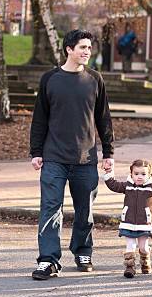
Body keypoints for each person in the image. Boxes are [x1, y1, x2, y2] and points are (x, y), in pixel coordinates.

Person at [29, 29, 114, 281]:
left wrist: (108, 152)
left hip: (86, 159)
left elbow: (103, 119)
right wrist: (36, 152)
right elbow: (39, 119)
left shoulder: (95, 80)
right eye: (82, 47)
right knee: (50, 210)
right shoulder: (50, 79)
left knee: (84, 210)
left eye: (89, 48)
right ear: (69, 49)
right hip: (54, 157)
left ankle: (83, 251)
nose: (87, 52)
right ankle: (48, 260)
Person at [103, 159, 152, 278]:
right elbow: (113, 185)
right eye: (136, 174)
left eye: (143, 174)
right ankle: (130, 267)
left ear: (148, 175)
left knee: (143, 247)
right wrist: (108, 172)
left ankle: (145, 261)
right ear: (131, 174)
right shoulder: (127, 186)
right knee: (130, 246)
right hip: (128, 222)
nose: (139, 177)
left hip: (144, 224)